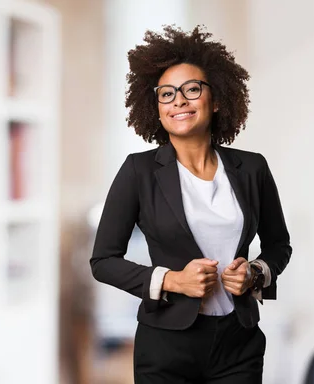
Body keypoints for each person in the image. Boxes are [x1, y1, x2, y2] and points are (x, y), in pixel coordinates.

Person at [89, 25, 292, 384]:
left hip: (238, 342)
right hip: (167, 344)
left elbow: (279, 246)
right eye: (166, 94)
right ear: (156, 107)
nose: (178, 101)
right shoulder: (138, 171)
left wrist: (256, 273)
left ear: (215, 100)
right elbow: (103, 261)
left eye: (191, 89)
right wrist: (171, 280)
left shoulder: (252, 168)